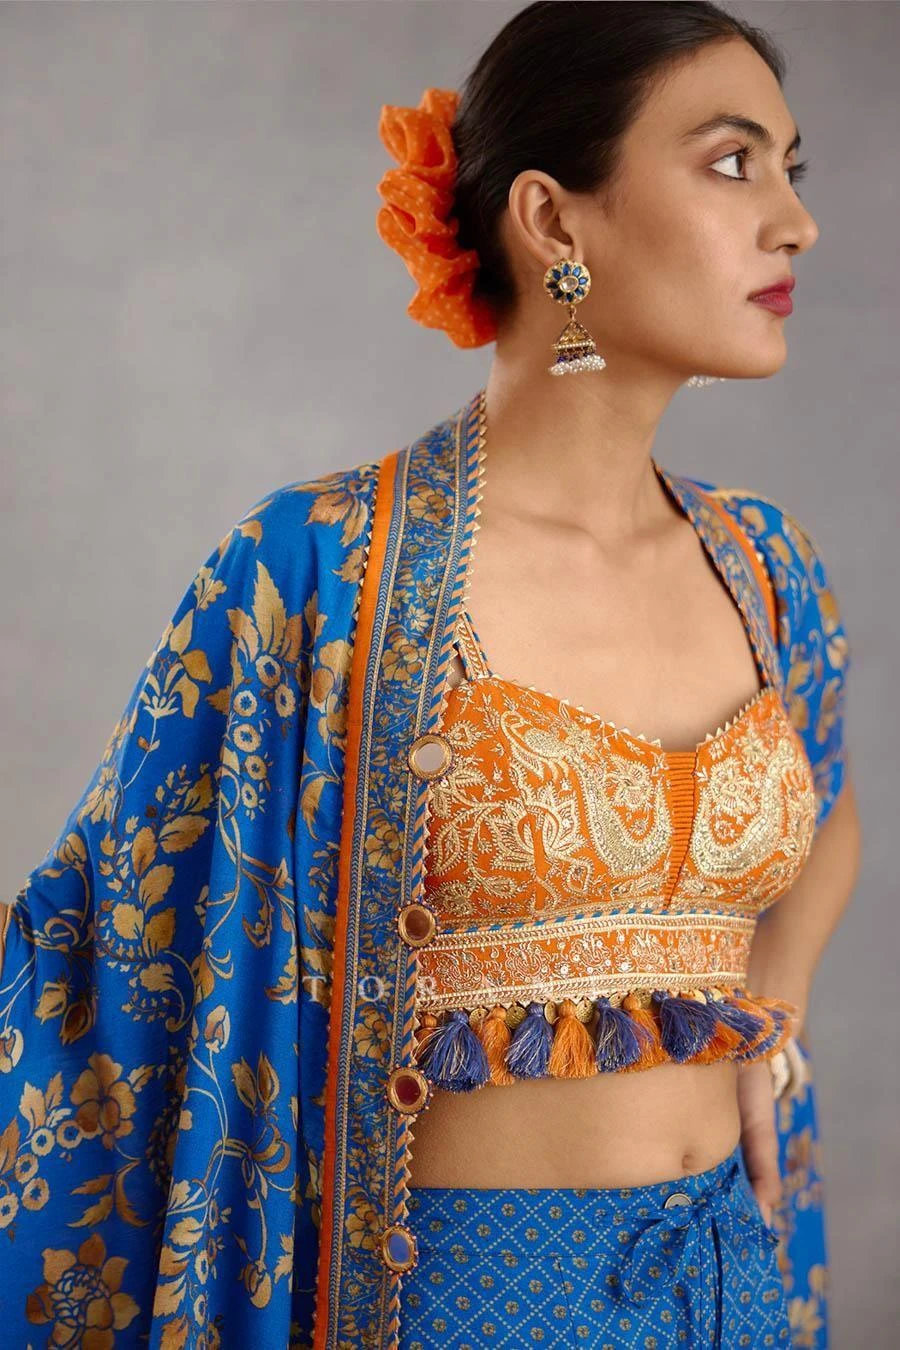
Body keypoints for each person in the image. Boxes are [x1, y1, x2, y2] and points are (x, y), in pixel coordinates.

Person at [0, 3, 860, 1347]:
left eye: (791, 172)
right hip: (462, 1300)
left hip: (724, 1281)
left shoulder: (766, 566)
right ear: (554, 221)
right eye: (734, 162)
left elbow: (827, 812)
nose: (796, 223)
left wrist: (776, 1010)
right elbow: (96, 951)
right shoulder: (323, 572)